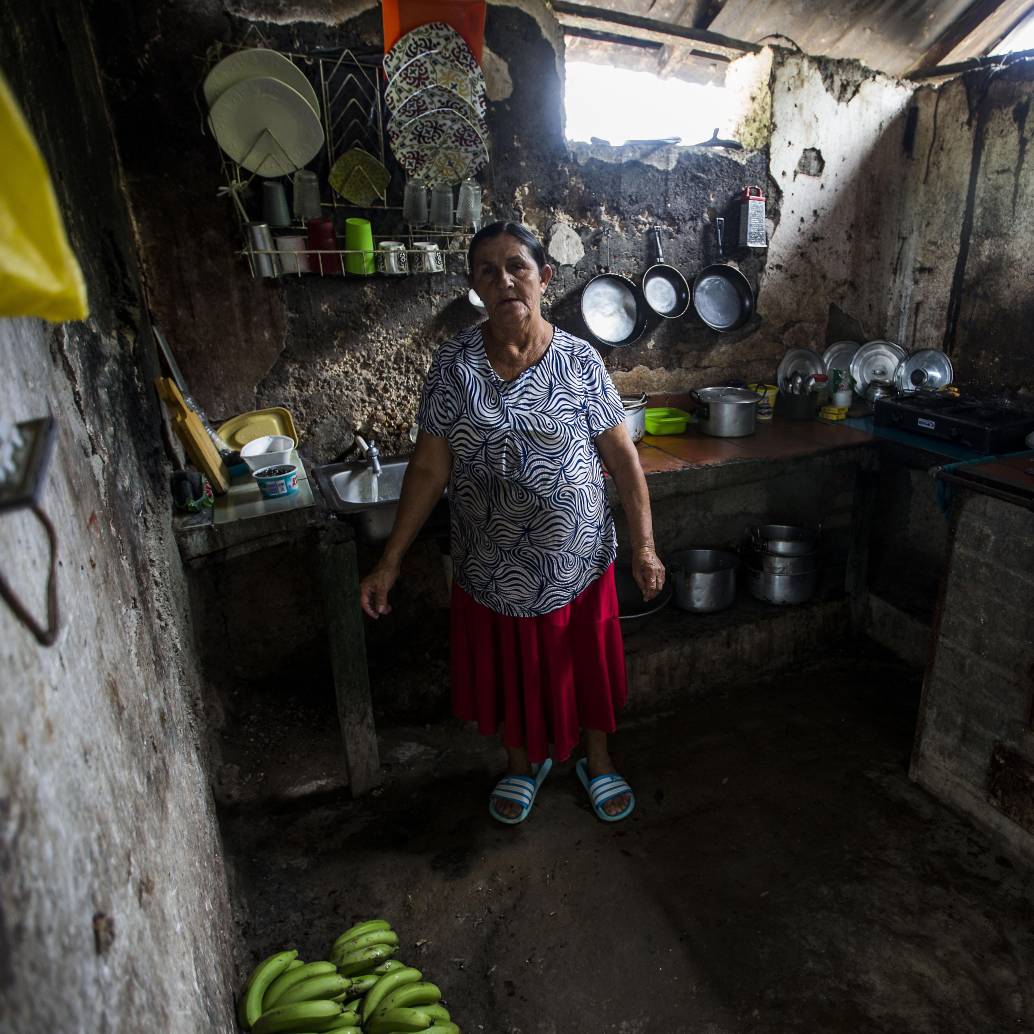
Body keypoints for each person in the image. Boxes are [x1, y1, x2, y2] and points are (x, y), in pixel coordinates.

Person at [358, 221, 664, 825]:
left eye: (517, 266)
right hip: (491, 564)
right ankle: (520, 765)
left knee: (586, 667)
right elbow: (427, 468)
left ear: (544, 277)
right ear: (475, 287)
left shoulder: (581, 362)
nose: (504, 281)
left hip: (575, 560)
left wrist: (645, 547)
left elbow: (623, 460)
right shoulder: (453, 365)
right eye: (487, 271)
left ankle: (596, 761)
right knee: (512, 670)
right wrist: (389, 560)